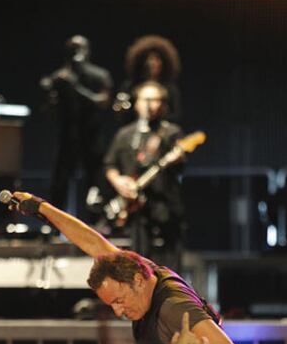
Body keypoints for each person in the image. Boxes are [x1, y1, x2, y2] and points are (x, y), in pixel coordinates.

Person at [8, 191, 253, 344]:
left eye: (119, 300)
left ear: (137, 281)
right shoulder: (143, 272)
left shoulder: (173, 308)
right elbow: (94, 243)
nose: (118, 311)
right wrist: (42, 208)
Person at [104, 80, 184, 270]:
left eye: (157, 100)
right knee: (137, 264)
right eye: (147, 99)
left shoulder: (170, 132)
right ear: (137, 103)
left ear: (164, 105)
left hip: (164, 208)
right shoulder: (125, 134)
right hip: (134, 212)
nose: (152, 105)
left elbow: (181, 166)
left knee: (168, 265)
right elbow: (109, 164)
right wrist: (118, 181)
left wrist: (177, 158)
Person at [40, 35, 112, 220]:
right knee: (60, 181)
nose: (76, 53)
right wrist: (50, 92)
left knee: (95, 180)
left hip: (91, 135)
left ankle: (96, 223)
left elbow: (102, 102)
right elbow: (49, 109)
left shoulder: (99, 76)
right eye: (73, 49)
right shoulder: (59, 77)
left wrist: (75, 88)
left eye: (80, 48)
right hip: (67, 136)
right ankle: (55, 221)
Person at [113, 35, 182, 124]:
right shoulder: (130, 86)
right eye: (149, 59)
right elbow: (121, 116)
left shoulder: (170, 89)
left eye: (157, 59)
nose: (153, 63)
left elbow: (176, 116)